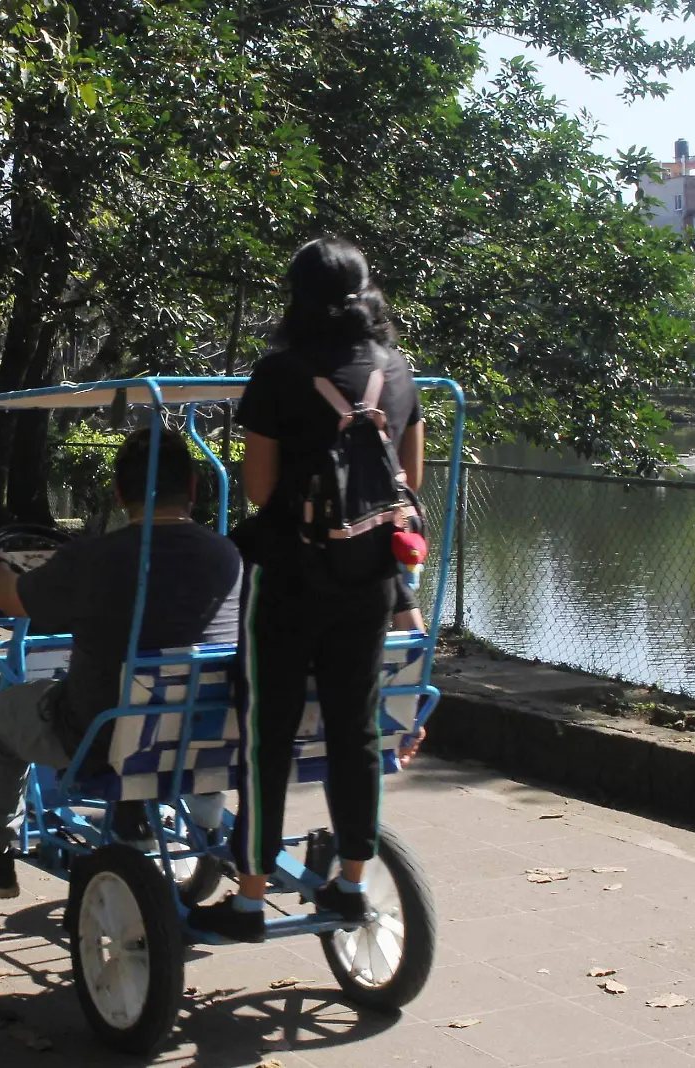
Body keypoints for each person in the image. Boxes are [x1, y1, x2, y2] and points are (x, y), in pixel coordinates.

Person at [187, 237, 427, 944]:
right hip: (371, 583)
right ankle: (352, 882)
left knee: (268, 734)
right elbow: (408, 482)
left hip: (288, 584)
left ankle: (252, 896)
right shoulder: (399, 371)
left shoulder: (280, 375)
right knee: (354, 729)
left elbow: (259, 490)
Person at [0, 427, 243, 899]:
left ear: (121, 493)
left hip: (100, 732)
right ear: (192, 487)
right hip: (204, 727)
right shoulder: (226, 554)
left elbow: (12, 600)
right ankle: (137, 814)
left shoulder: (95, 557)